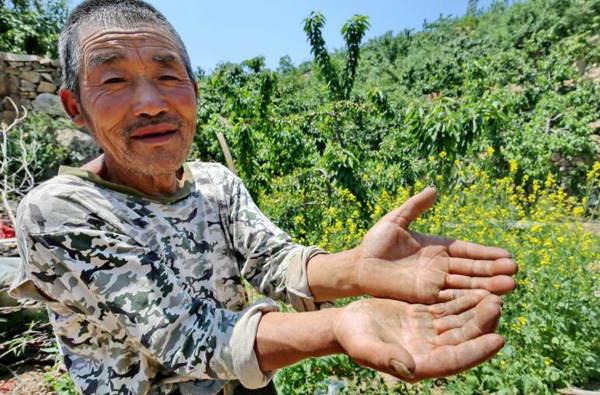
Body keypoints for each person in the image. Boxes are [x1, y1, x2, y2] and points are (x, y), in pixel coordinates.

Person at [9, 0, 518, 394]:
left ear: (193, 90)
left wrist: (356, 268)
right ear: (75, 107)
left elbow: (273, 260)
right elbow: (184, 337)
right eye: (115, 80)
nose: (151, 103)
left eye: (168, 76)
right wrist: (340, 324)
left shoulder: (214, 183)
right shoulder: (60, 210)